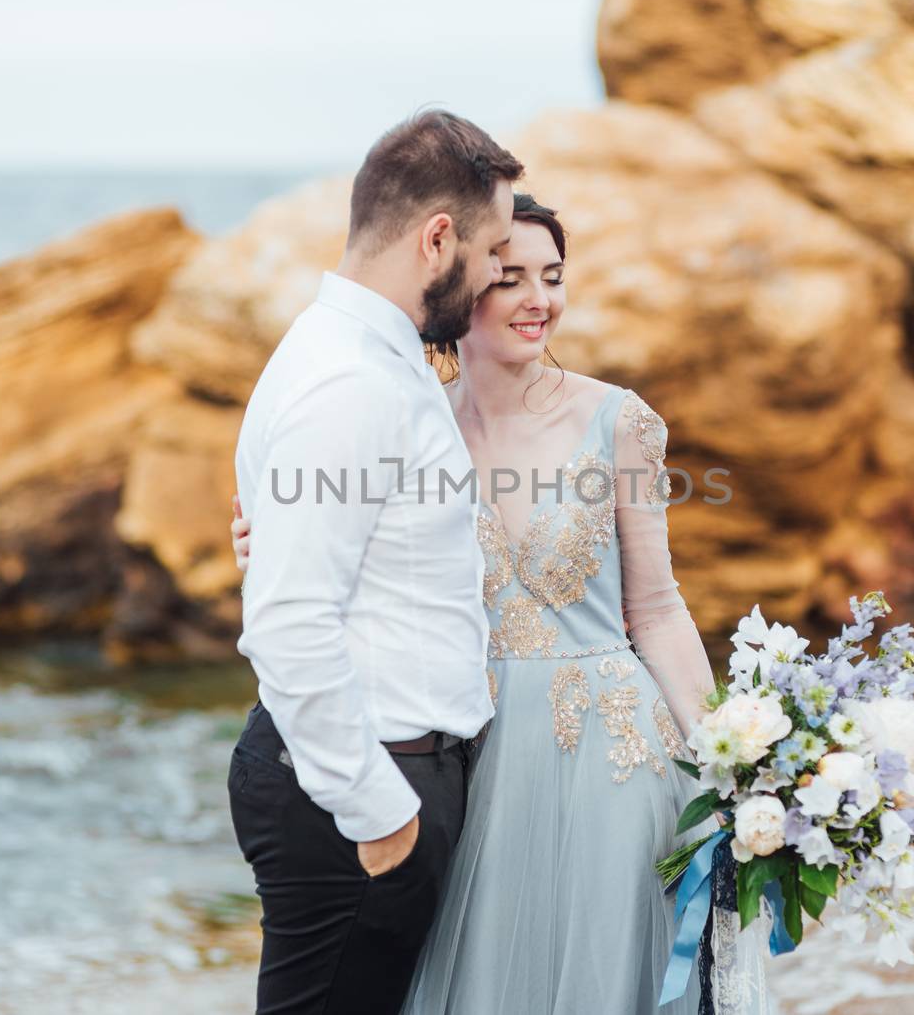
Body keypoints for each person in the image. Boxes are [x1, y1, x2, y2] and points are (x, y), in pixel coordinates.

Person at [232, 194, 718, 1013]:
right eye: (510, 278)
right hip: (471, 761)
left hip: (614, 762)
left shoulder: (618, 421)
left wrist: (732, 763)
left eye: (553, 277)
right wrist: (268, 540)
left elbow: (659, 612)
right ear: (462, 290)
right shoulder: (412, 418)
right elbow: (346, 559)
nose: (539, 300)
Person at [227, 108, 523, 1015]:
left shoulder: (368, 357)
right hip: (360, 794)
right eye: (491, 255)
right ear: (439, 238)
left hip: (375, 778)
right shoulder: (348, 383)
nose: (492, 282)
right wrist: (384, 818)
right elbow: (288, 623)